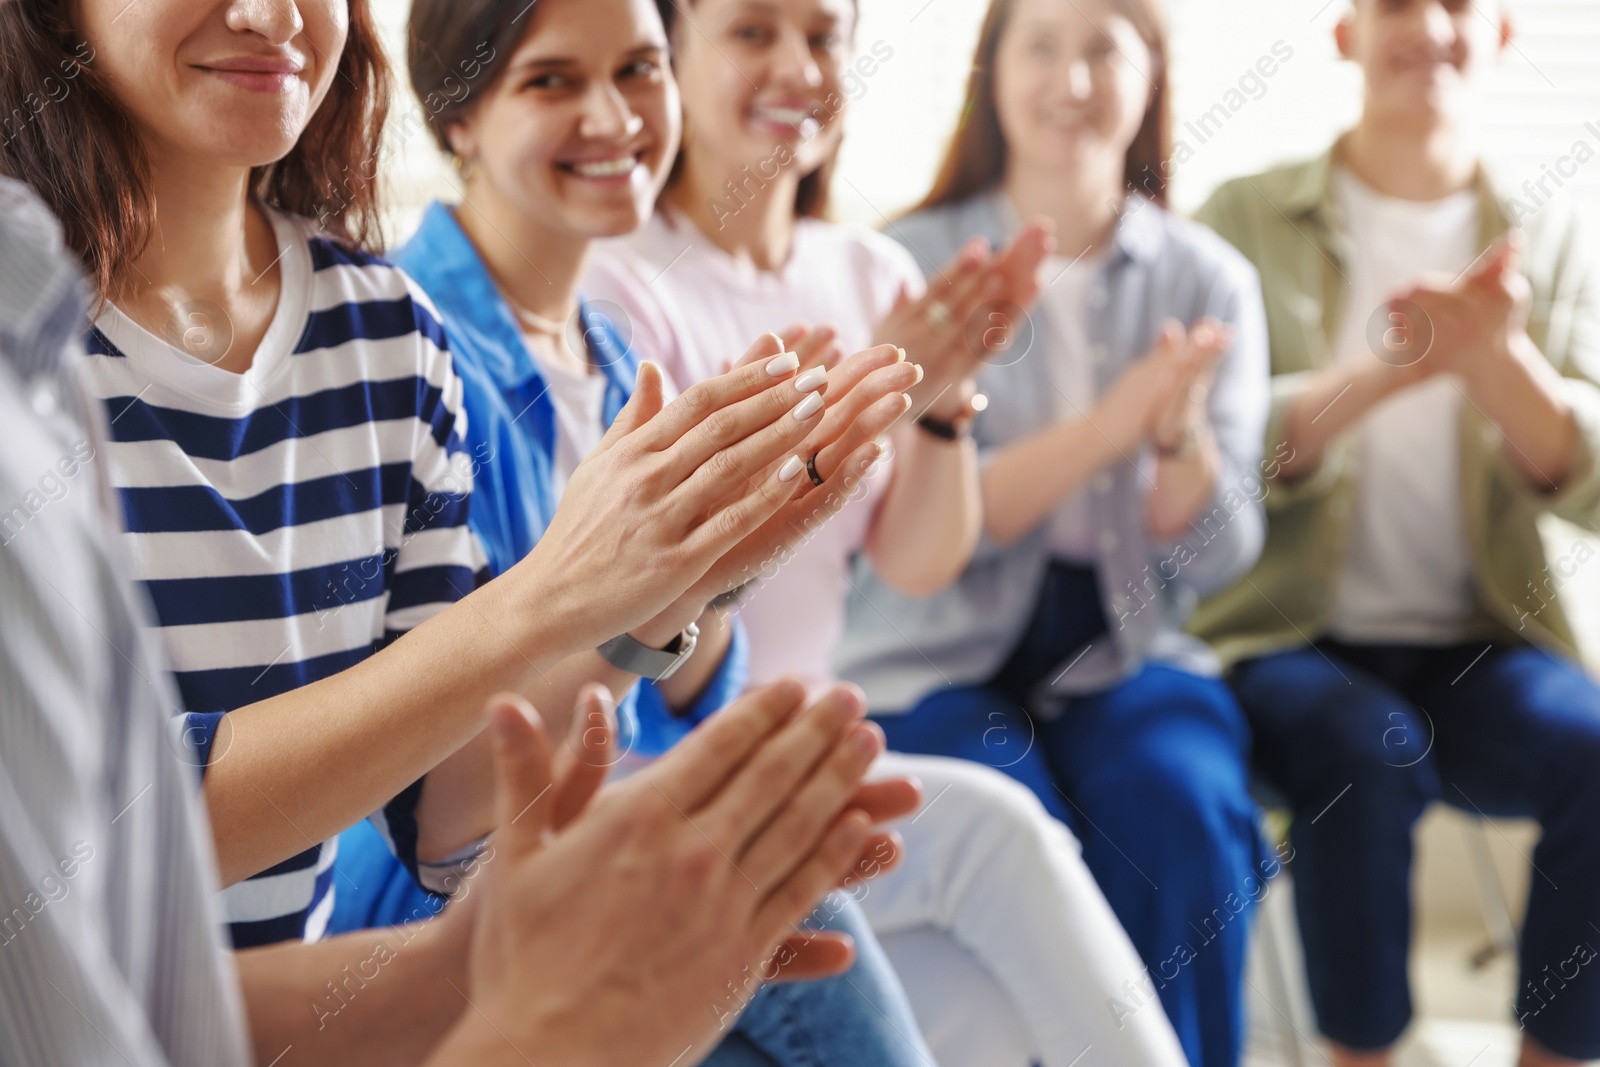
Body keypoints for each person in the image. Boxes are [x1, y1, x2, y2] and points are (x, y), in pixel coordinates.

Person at [0, 0, 915, 952]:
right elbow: (102, 832)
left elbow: (441, 813)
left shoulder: (389, 333)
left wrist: (660, 597)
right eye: (554, 79)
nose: (270, 16)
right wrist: (554, 593)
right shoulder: (25, 346)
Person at [581, 1, 1191, 1065]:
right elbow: (648, 591)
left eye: (821, 38)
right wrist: (844, 410)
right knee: (1000, 834)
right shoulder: (623, 285)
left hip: (807, 762)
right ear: (672, 54)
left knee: (1003, 1021)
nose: (793, 66)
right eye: (751, 32)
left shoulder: (868, 274)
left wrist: (941, 400)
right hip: (664, 771)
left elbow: (916, 560)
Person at [337, 0, 936, 1062]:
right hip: (443, 899)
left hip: (612, 849)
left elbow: (677, 700)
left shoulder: (615, 355)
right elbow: (444, 799)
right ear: (459, 114)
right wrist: (663, 595)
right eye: (552, 81)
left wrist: (730, 562)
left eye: (641, 69)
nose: (613, 117)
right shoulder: (401, 343)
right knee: (799, 905)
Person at [830, 0, 1275, 1064]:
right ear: (990, 71)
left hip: (1129, 649)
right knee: (1004, 847)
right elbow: (924, 525)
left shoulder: (1209, 277)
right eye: (1041, 47)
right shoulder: (906, 264)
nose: (1070, 82)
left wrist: (1173, 444)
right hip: (932, 646)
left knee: (1183, 812)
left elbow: (1219, 552)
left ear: (1150, 76)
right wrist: (1110, 427)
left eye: (1102, 52)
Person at [1188, 2, 1600, 1065]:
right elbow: (1207, 460)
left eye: (1456, 3)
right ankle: (1360, 1054)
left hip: (1482, 643)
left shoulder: (1552, 231)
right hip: (1285, 643)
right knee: (1365, 749)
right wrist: (1389, 373)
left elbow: (1590, 484)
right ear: (1345, 34)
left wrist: (1496, 366)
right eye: (1394, 3)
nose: (1427, 25)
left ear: (1501, 33)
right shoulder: (1240, 214)